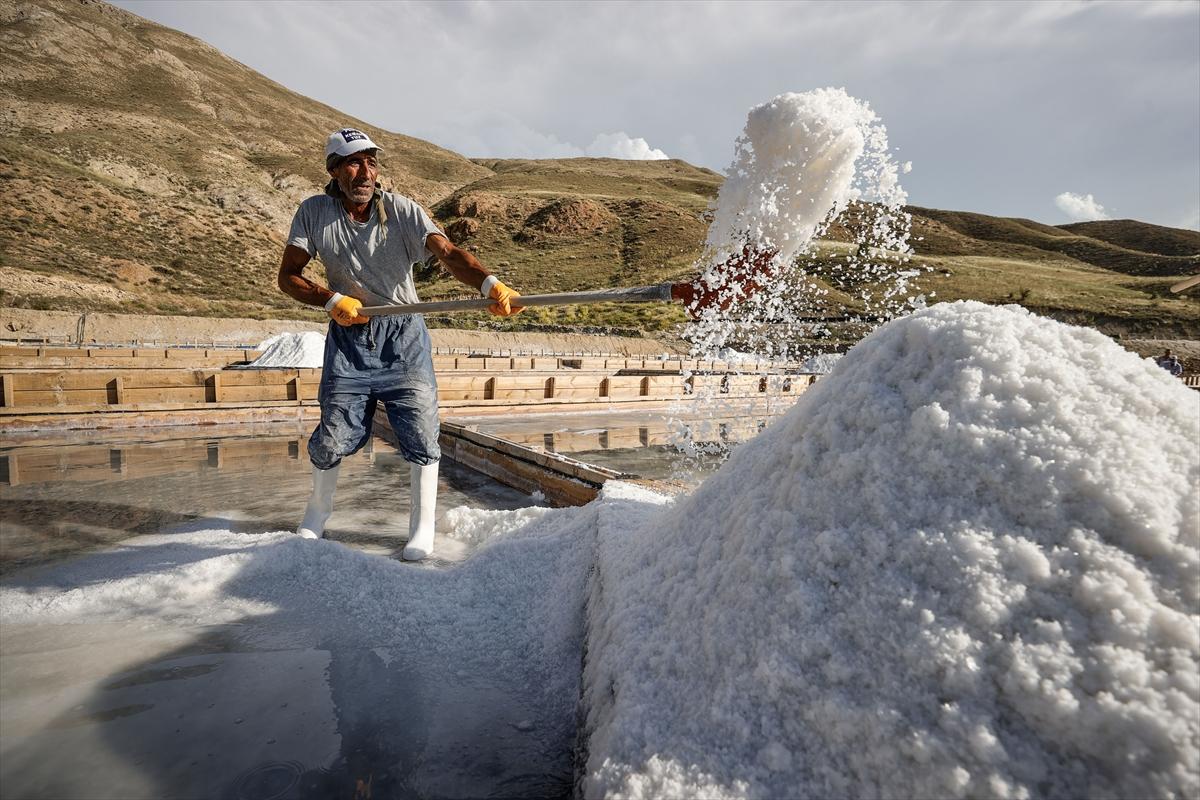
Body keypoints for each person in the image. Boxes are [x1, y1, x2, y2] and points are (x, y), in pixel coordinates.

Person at [279, 128, 523, 560]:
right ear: (334, 171)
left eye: (371, 162)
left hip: (403, 337)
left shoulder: (402, 211)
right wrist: (331, 298)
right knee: (334, 432)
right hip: (349, 337)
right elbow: (289, 277)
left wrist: (489, 283)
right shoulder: (314, 213)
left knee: (420, 430)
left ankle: (421, 528)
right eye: (354, 162)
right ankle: (318, 511)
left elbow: (447, 252)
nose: (365, 171)